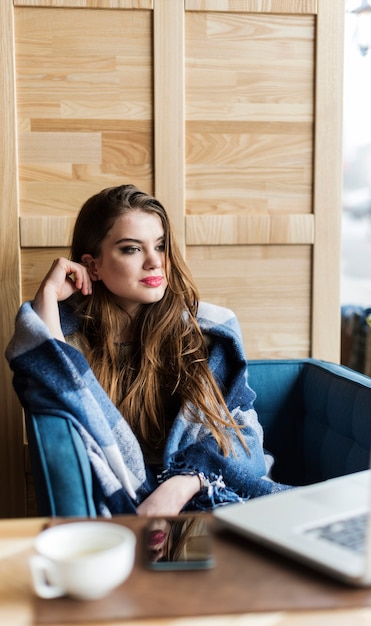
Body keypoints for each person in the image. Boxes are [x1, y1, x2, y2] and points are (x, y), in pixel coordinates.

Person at [6, 184, 290, 516]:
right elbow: (54, 384)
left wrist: (180, 485)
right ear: (92, 265)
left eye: (160, 245)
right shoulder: (73, 340)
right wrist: (48, 298)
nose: (155, 262)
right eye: (131, 249)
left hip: (206, 493)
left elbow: (243, 433)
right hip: (122, 500)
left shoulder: (206, 334)